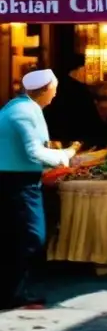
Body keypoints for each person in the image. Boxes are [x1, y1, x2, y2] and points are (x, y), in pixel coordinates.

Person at [0, 70, 79, 310]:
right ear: (44, 89)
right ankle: (14, 293)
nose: (55, 95)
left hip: (17, 179)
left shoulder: (19, 108)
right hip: (17, 182)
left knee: (16, 237)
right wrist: (66, 155)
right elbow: (33, 151)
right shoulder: (24, 112)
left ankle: (13, 293)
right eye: (53, 90)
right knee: (31, 237)